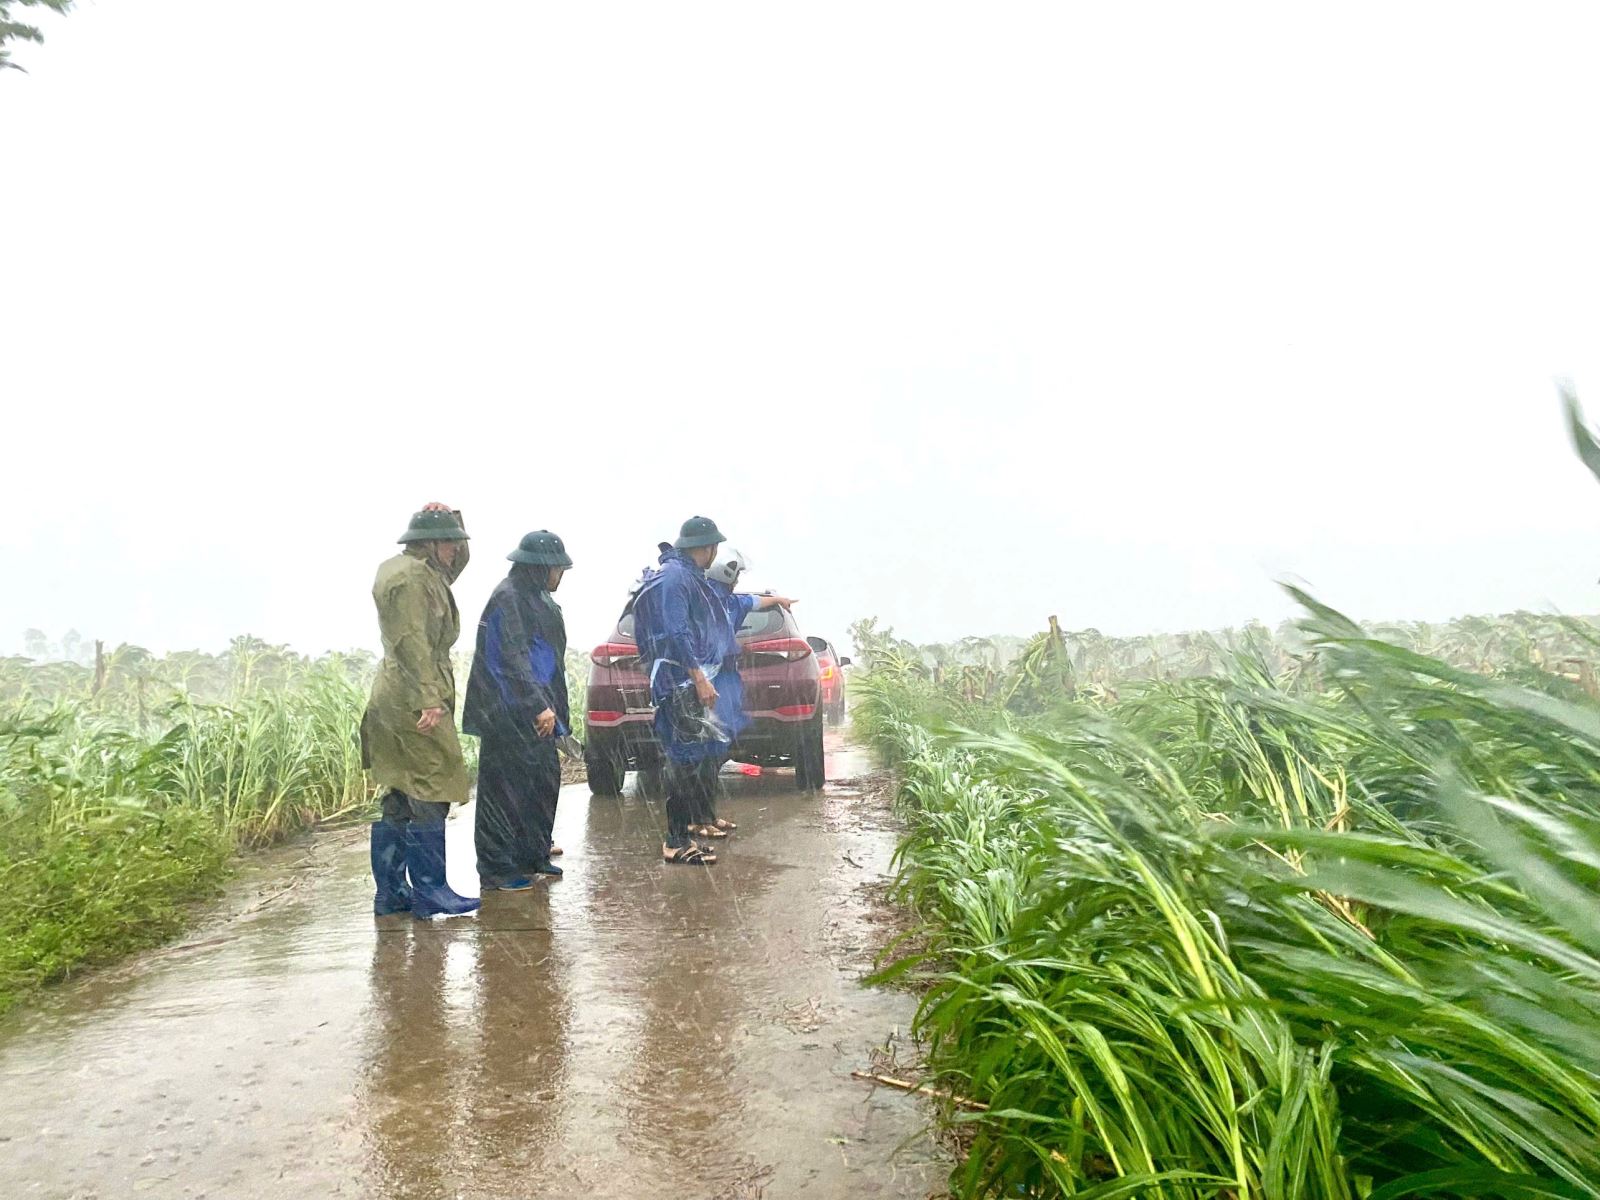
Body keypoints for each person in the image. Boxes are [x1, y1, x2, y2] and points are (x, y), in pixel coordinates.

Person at [362, 505, 479, 919]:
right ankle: (430, 889)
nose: (454, 549)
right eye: (447, 540)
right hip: (412, 694)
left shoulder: (421, 570)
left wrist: (453, 517)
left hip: (398, 693)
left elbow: (459, 560)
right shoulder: (412, 578)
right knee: (432, 787)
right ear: (428, 544)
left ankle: (391, 893)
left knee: (398, 793)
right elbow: (410, 639)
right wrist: (428, 697)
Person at [463, 530, 574, 889]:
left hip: (539, 712)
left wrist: (557, 716)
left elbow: (549, 660)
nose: (560, 576)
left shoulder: (538, 598)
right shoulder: (508, 599)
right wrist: (537, 705)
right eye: (558, 569)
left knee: (542, 781)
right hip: (506, 712)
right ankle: (496, 868)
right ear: (541, 568)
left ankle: (532, 854)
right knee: (503, 792)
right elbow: (511, 659)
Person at [699, 548, 796, 838]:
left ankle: (706, 815)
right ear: (725, 574)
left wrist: (778, 599)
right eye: (736, 575)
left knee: (716, 748)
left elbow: (755, 601)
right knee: (703, 755)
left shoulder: (730, 602)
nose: (738, 581)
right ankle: (697, 818)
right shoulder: (705, 602)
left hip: (723, 680)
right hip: (706, 681)